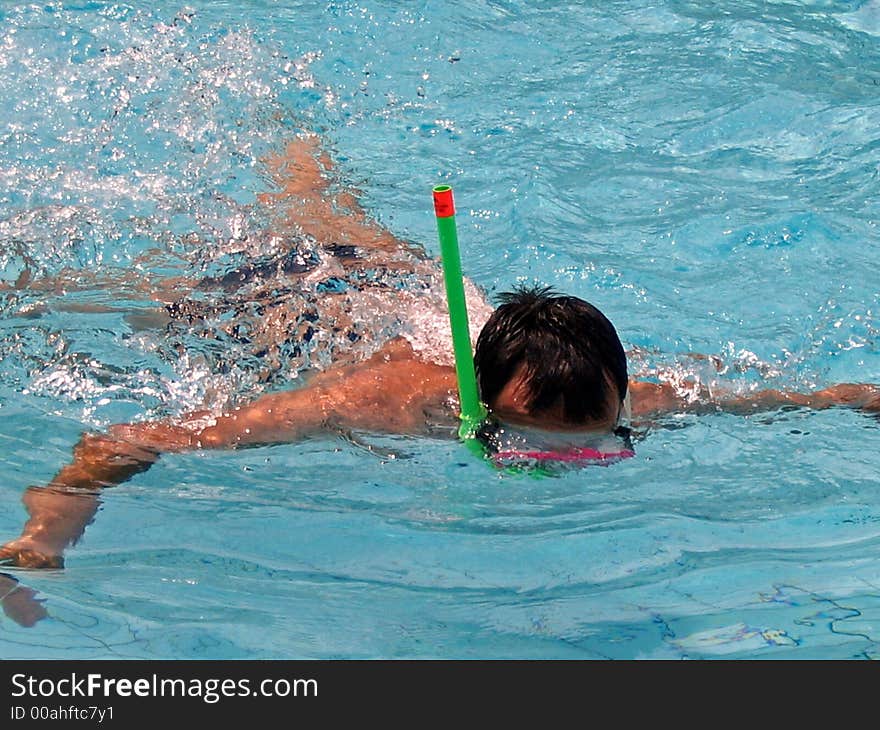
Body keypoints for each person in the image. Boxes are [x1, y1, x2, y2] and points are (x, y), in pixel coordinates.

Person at [1, 134, 879, 573]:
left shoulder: (624, 397)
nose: (564, 467)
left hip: (407, 283)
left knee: (325, 203)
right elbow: (129, 440)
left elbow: (801, 398)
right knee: (102, 303)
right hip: (295, 304)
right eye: (529, 446)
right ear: (473, 402)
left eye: (599, 447)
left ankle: (297, 158)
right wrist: (51, 531)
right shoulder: (375, 402)